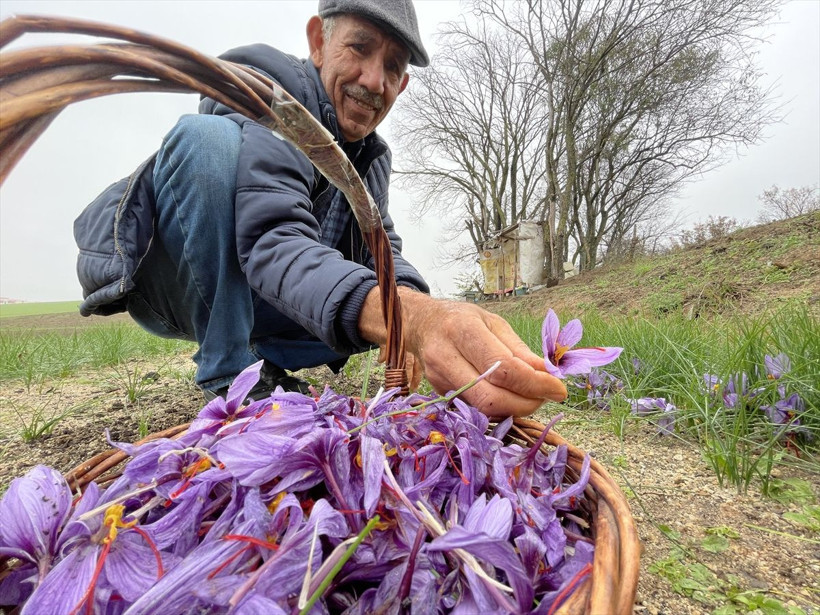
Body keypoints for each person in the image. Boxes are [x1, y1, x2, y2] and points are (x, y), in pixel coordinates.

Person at [73, 0, 567, 417]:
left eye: (393, 67)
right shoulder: (269, 99)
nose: (374, 81)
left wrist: (417, 306)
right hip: (178, 283)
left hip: (262, 303)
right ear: (317, 42)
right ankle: (230, 373)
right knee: (207, 142)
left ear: (403, 85)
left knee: (380, 300)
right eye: (359, 48)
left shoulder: (370, 156)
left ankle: (259, 358)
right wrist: (408, 318)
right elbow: (273, 240)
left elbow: (382, 245)